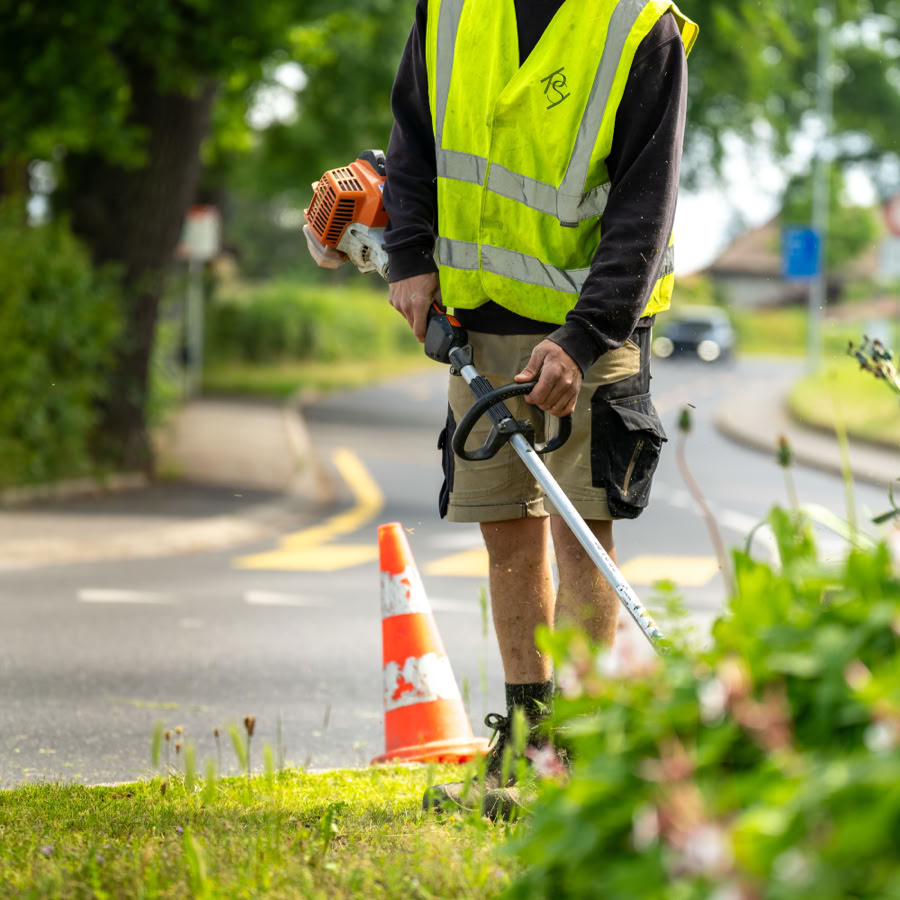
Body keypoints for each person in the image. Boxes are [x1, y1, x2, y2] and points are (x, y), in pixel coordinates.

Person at [382, 0, 698, 817]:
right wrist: (410, 255)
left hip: (587, 327)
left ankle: (585, 752)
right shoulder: (451, 9)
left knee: (583, 530)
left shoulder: (640, 27)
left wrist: (585, 338)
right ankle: (529, 740)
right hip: (476, 315)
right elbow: (413, 139)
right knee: (506, 533)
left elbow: (645, 204)